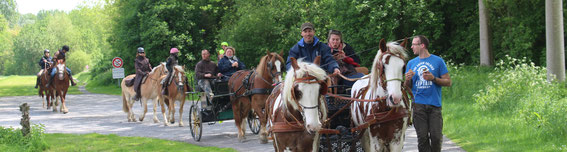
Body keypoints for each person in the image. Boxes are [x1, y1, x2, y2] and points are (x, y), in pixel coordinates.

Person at [404, 35, 452, 152]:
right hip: (418, 106)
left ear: (422, 45)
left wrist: (433, 79)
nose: (411, 47)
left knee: (436, 137)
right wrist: (408, 79)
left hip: (435, 105)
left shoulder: (438, 61)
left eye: (414, 44)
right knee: (422, 138)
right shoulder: (411, 63)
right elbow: (406, 86)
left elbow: (448, 82)